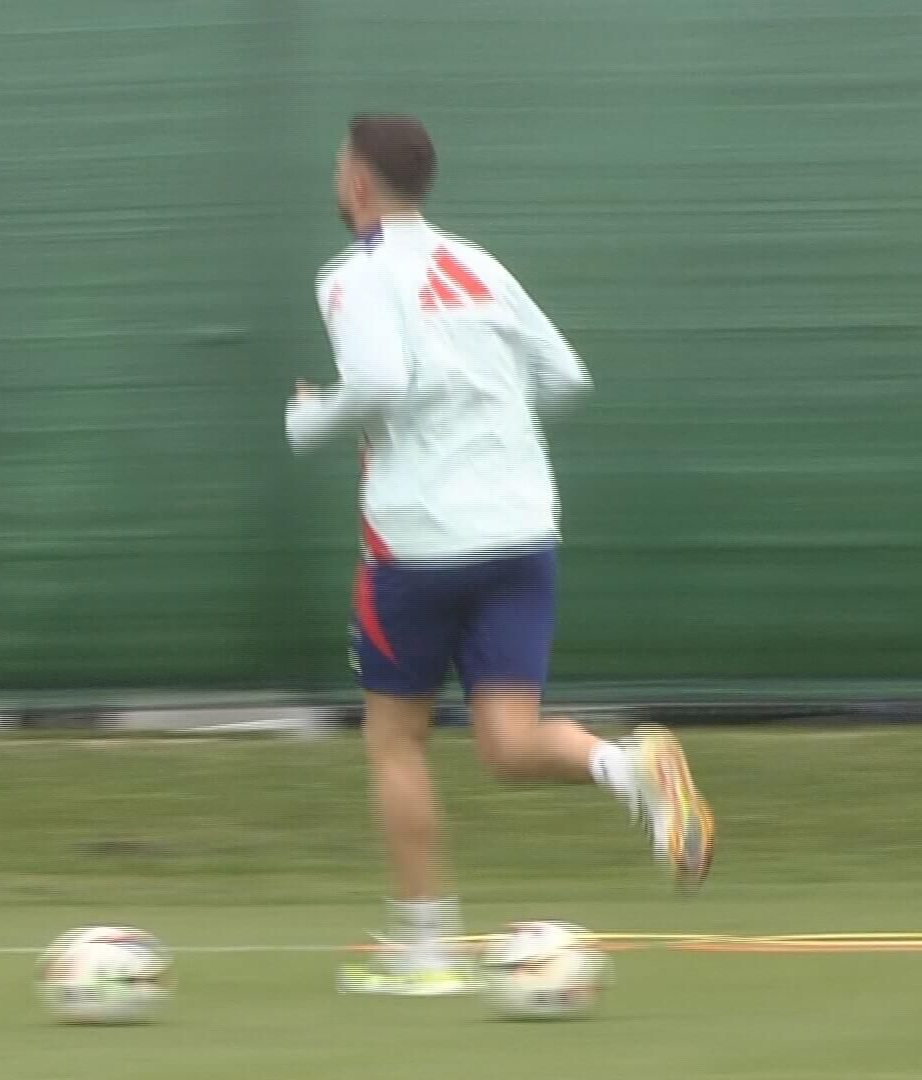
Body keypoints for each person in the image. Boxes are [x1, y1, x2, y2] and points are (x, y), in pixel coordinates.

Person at [288, 114, 715, 996]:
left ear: (360, 184)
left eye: (339, 168)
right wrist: (487, 432)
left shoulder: (352, 278)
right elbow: (566, 377)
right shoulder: (479, 265)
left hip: (419, 542)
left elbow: (376, 384)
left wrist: (308, 420)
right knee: (506, 741)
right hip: (522, 529)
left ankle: (424, 953)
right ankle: (627, 768)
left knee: (396, 740)